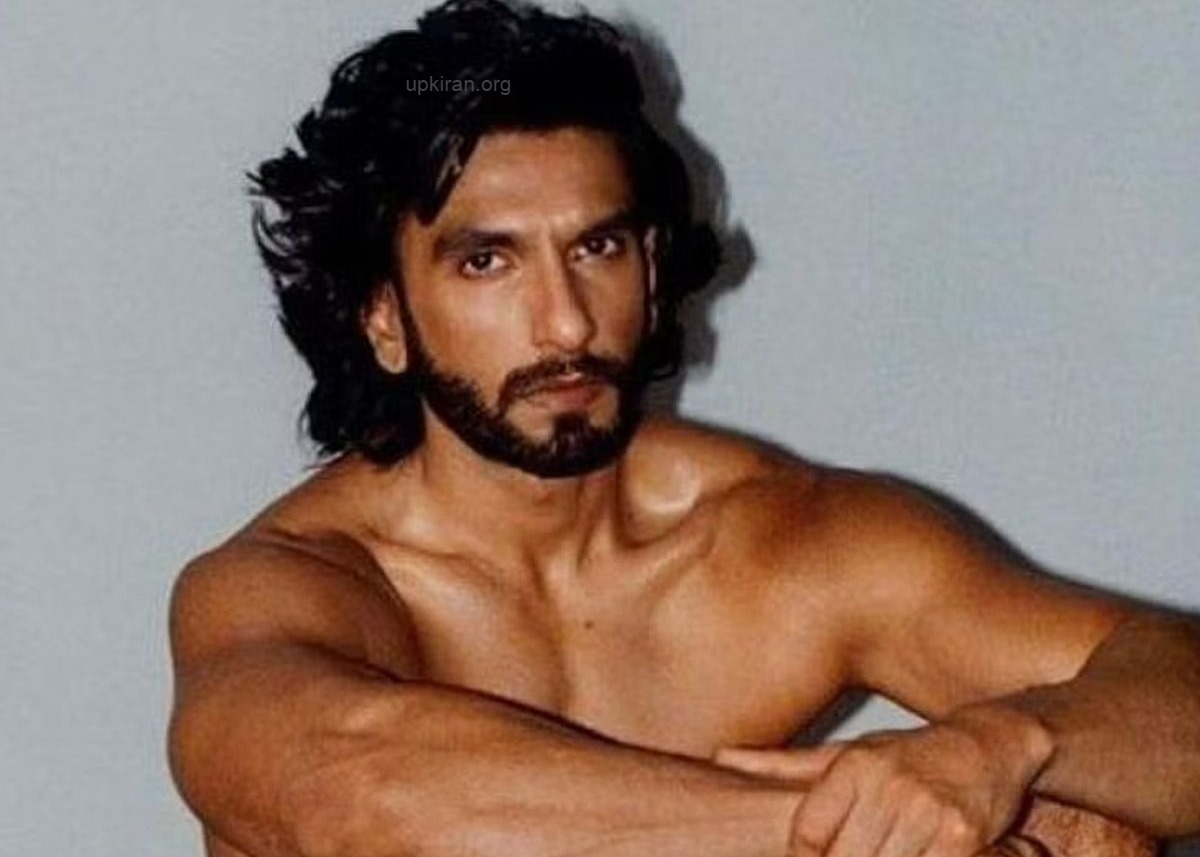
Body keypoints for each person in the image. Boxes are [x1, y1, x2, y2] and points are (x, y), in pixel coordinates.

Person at [167, 2, 1200, 856]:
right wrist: (848, 828)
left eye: (598, 247)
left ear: (654, 270)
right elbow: (363, 793)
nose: (566, 323)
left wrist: (1000, 748)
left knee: (1087, 816)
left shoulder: (775, 540)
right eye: (488, 261)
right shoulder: (297, 584)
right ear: (384, 317)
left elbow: (1172, 689)